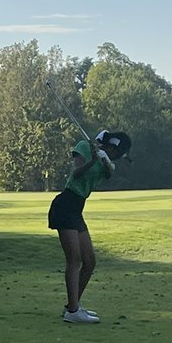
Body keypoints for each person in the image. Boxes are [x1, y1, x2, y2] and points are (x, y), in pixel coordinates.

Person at [48, 129, 131, 324]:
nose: (117, 158)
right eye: (117, 154)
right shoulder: (84, 147)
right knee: (74, 260)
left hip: (77, 209)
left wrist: (103, 159)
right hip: (65, 204)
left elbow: (110, 173)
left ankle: (73, 306)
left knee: (89, 260)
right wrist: (92, 159)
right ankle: (73, 311)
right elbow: (76, 173)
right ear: (112, 146)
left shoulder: (104, 161)